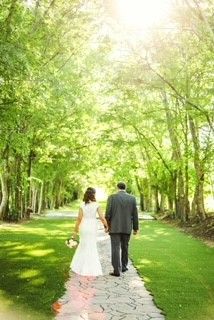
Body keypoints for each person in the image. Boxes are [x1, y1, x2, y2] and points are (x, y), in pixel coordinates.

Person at [70, 187, 108, 276]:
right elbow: (102, 217)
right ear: (94, 194)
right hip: (92, 226)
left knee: (83, 245)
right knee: (91, 245)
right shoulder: (96, 205)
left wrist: (75, 231)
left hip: (84, 225)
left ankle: (78, 266)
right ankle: (90, 267)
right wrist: (106, 226)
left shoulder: (82, 204)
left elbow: (79, 218)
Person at [105, 182, 139, 277]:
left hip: (114, 227)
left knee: (115, 248)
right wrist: (136, 228)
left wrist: (107, 226)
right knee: (125, 247)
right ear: (125, 188)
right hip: (127, 227)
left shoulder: (112, 197)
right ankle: (124, 267)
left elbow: (108, 213)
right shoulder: (132, 198)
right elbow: (135, 214)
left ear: (117, 188)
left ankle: (116, 270)